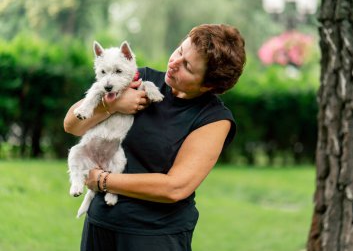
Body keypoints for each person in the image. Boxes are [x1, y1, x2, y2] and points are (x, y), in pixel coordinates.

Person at [63, 23, 246, 251]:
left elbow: (174, 188)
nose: (174, 63)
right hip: (100, 226)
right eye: (180, 51)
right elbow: (72, 125)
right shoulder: (140, 79)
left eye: (187, 66)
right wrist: (111, 106)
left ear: (208, 84)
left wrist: (102, 180)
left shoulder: (214, 119)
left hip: (154, 236)